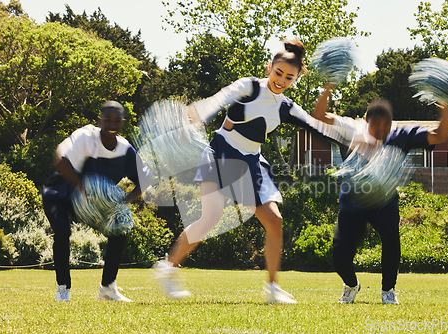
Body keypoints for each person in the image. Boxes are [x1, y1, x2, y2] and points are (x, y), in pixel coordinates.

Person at [154, 40, 337, 304]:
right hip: (221, 153)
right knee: (210, 218)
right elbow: (219, 99)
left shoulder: (286, 106)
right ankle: (167, 267)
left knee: (275, 222)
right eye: (278, 73)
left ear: (295, 78)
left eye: (289, 77)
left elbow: (316, 126)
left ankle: (273, 288)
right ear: (269, 68)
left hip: (251, 162)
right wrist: (198, 114)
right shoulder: (248, 86)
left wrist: (352, 139)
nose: (281, 80)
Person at [312, 84, 448, 304]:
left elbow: (440, 134)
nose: (381, 130)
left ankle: (388, 291)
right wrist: (328, 87)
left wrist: (444, 107)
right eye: (376, 125)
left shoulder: (401, 135)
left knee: (391, 241)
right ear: (366, 121)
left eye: (386, 125)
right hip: (352, 202)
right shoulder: (352, 129)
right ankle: (351, 285)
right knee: (339, 255)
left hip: (384, 202)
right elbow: (319, 116)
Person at [42, 101, 148, 302]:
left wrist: (125, 201)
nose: (112, 124)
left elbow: (146, 179)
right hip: (59, 193)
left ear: (123, 123)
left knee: (121, 228)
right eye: (107, 120)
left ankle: (107, 288)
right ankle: (63, 289)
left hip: (90, 203)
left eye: (117, 121)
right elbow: (60, 159)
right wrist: (83, 188)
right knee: (63, 232)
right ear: (100, 121)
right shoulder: (85, 137)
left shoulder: (125, 150)